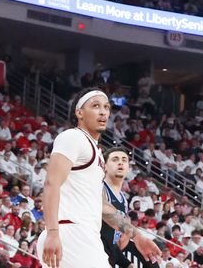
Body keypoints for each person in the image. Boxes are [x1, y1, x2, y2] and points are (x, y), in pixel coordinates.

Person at [38, 93, 159, 268]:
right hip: (71, 233)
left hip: (81, 235)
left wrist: (137, 236)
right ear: (79, 112)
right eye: (95, 106)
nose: (103, 112)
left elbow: (103, 207)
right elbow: (51, 183)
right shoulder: (73, 137)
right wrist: (53, 232)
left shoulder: (95, 153)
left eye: (106, 107)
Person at [96, 148, 158, 267]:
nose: (120, 162)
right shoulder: (99, 187)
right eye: (115, 159)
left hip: (107, 258)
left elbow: (111, 241)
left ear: (128, 168)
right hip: (89, 253)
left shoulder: (123, 199)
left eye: (124, 160)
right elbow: (105, 211)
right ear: (104, 166)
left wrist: (126, 263)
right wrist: (137, 236)